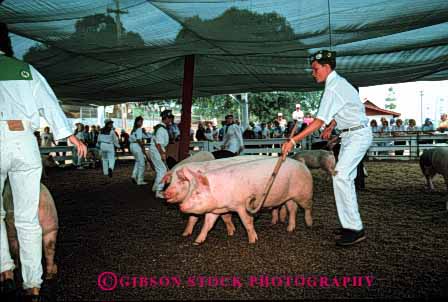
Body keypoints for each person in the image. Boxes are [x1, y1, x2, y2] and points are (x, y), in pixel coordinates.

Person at [0, 44, 86, 300]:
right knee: (27, 218)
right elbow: (48, 102)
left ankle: (5, 268)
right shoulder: (25, 70)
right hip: (23, 138)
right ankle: (33, 284)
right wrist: (68, 135)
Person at [282, 50, 372, 246]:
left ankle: (355, 229)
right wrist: (332, 126)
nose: (313, 73)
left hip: (357, 135)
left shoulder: (333, 88)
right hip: (349, 134)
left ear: (326, 67)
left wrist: (293, 141)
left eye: (315, 69)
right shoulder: (338, 84)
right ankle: (350, 225)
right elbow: (346, 107)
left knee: (341, 176)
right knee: (343, 178)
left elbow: (316, 122)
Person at [149, 110, 173, 198]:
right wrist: (162, 153)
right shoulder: (161, 129)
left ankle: (156, 187)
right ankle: (159, 191)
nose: (170, 120)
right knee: (162, 171)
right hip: (157, 150)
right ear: (165, 118)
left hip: (156, 150)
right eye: (169, 118)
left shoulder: (159, 128)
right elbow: (158, 143)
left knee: (160, 170)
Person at [129, 116, 149, 185]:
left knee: (138, 161)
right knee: (142, 164)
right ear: (137, 122)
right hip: (137, 145)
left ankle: (134, 175)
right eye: (140, 121)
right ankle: (140, 180)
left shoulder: (134, 129)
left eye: (142, 122)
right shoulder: (139, 129)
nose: (141, 123)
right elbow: (139, 140)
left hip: (132, 145)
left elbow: (145, 136)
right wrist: (143, 148)